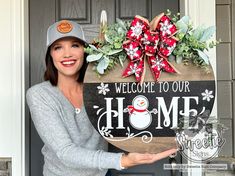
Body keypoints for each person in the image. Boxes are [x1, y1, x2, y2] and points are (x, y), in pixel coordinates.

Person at [26, 20, 177, 176]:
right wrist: (124, 160)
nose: (67, 54)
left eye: (75, 45)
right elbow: (65, 152)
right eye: (58, 47)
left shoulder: (101, 89)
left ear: (85, 51)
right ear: (50, 54)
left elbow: (133, 116)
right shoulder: (39, 95)